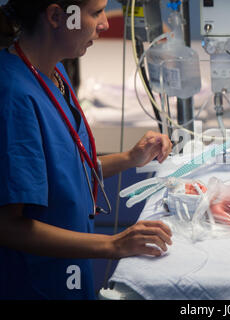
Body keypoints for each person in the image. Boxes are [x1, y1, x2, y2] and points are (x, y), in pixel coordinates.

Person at [0, 0, 174, 299]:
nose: (106, 23)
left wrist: (131, 158)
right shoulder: (14, 95)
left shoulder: (54, 74)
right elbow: (8, 226)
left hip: (67, 274)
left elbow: (64, 170)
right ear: (56, 15)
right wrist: (113, 245)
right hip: (33, 284)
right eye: (95, 13)